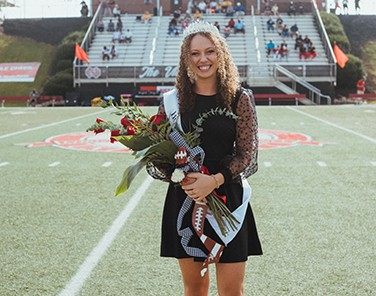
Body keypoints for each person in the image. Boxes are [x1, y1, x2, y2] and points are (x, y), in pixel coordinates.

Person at [151, 21, 262, 296]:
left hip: (229, 200)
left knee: (232, 290)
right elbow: (157, 154)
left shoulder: (239, 99)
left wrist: (214, 180)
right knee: (195, 288)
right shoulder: (171, 102)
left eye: (210, 51)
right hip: (185, 200)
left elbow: (246, 153)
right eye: (195, 53)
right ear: (186, 59)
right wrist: (183, 178)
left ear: (220, 53)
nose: (203, 59)